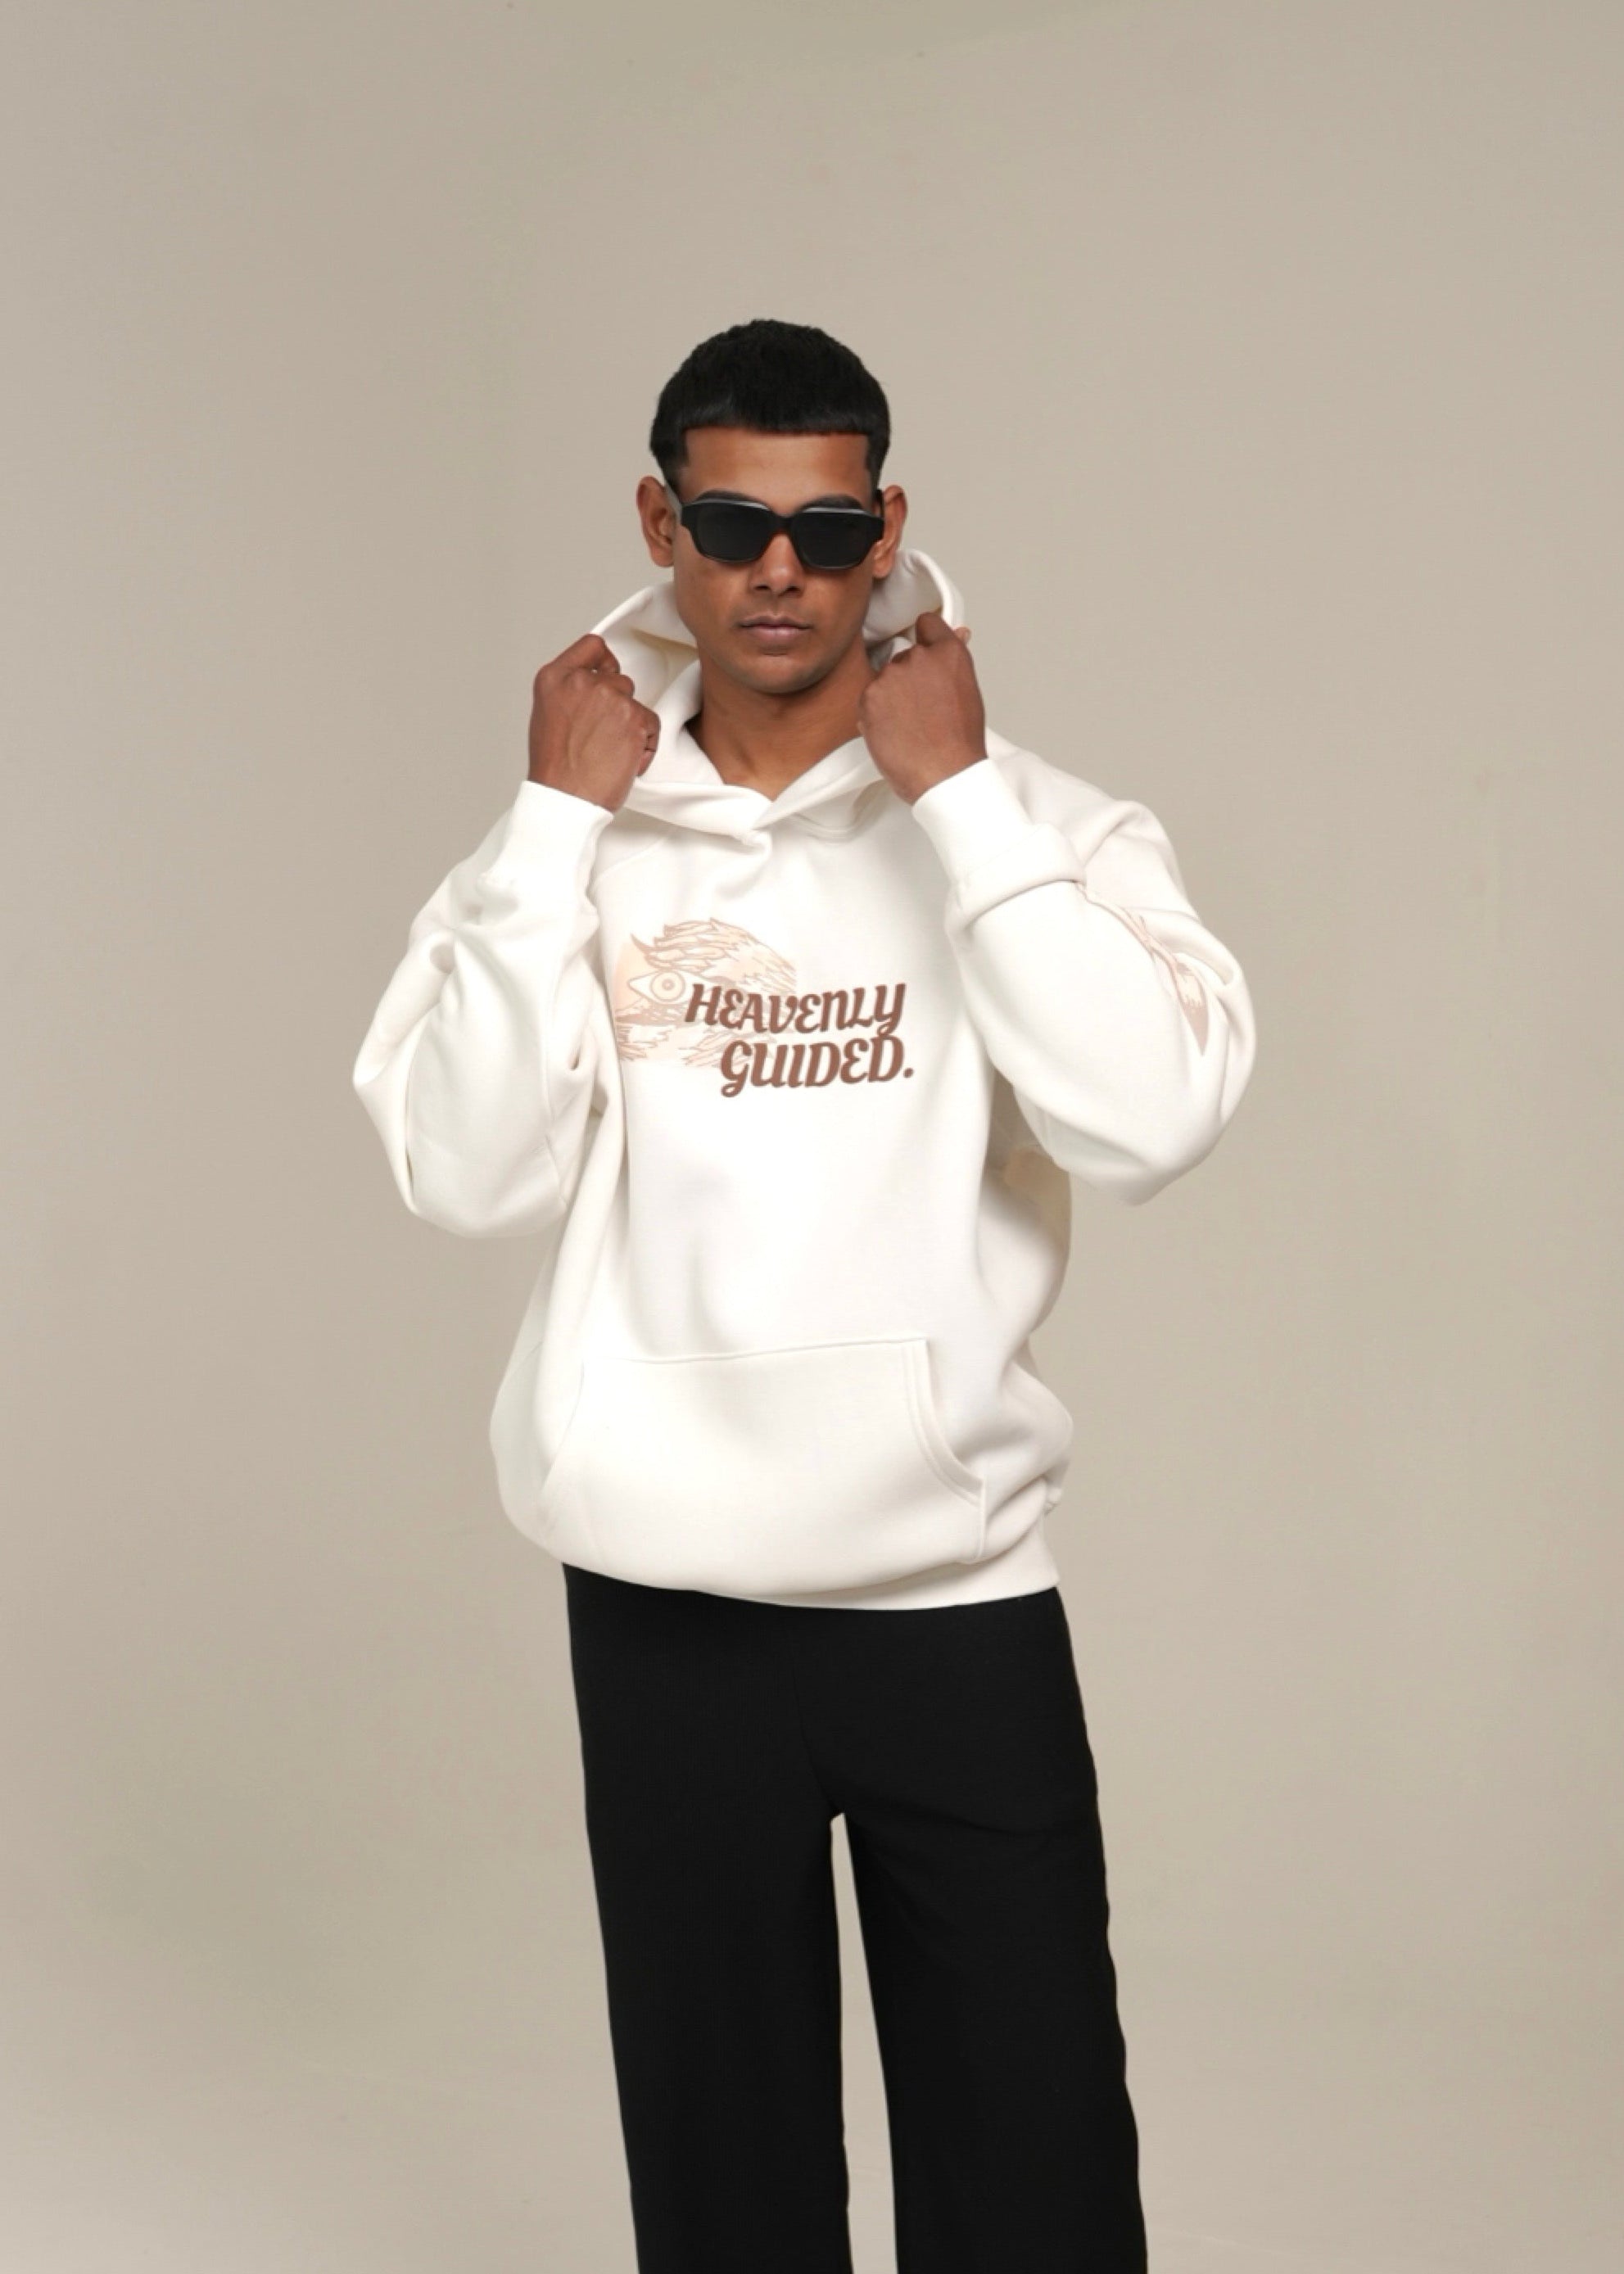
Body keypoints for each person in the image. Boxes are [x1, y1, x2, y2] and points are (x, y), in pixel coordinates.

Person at [352, 316, 1257, 2274]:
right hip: (664, 1604)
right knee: (727, 2197)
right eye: (732, 523)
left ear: (886, 530)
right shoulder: (564, 846)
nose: (779, 567)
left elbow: (1150, 1120)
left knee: (1032, 2184)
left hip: (951, 1593)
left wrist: (962, 809)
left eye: (827, 528)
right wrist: (552, 826)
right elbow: (467, 1171)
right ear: (659, 524)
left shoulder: (1035, 823)